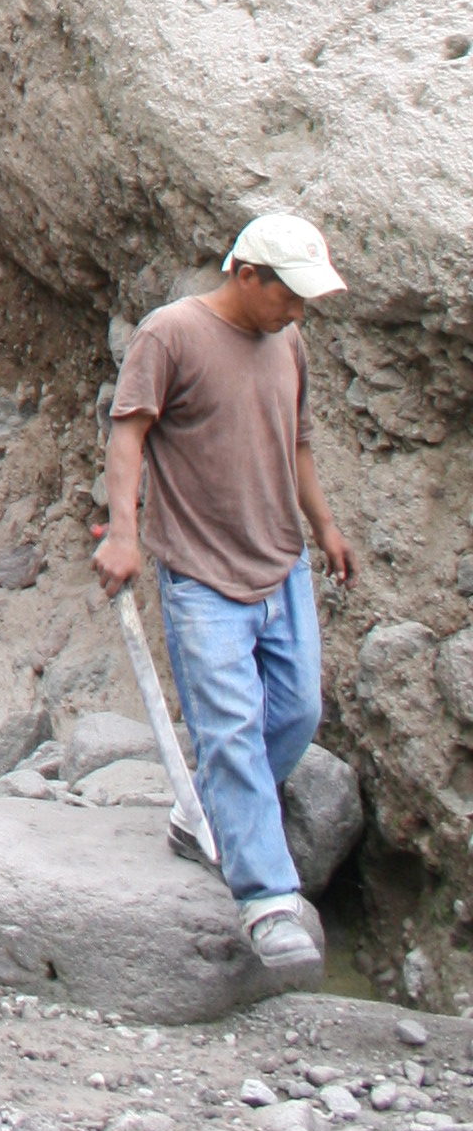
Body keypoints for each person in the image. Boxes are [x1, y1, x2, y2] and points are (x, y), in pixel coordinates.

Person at [94, 211, 355, 987]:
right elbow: (129, 433)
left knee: (298, 713)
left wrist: (327, 526)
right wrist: (123, 533)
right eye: (290, 295)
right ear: (249, 277)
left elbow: (298, 441)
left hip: (282, 563)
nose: (298, 311)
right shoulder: (169, 335)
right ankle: (268, 898)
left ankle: (198, 810)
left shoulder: (289, 343)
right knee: (233, 727)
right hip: (201, 574)